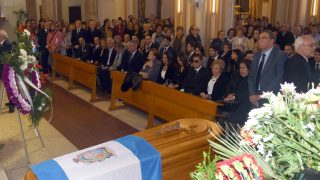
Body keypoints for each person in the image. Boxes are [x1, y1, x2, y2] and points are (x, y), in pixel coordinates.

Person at [248, 30, 287, 107]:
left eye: (264, 38)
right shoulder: (257, 55)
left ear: (272, 41)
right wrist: (252, 94)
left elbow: (279, 78)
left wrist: (261, 96)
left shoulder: (280, 55)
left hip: (270, 98)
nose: (260, 40)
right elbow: (251, 77)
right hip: (255, 98)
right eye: (259, 38)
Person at [223, 60, 251, 126]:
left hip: (244, 105)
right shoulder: (237, 77)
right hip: (232, 104)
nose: (241, 70)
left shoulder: (251, 80)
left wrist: (234, 97)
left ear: (249, 69)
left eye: (244, 68)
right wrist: (228, 94)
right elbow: (228, 86)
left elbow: (246, 93)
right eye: (240, 68)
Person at [0, 30, 13, 114]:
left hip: (5, 69)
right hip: (1, 68)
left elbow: (4, 57)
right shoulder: (2, 44)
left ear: (2, 37)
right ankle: (11, 102)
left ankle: (12, 105)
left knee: (9, 87)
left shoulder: (7, 44)